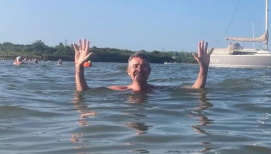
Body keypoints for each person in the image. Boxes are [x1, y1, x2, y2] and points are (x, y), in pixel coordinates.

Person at [72, 38, 214, 92]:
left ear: (149, 71)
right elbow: (84, 92)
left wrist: (203, 68)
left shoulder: (158, 90)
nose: (139, 69)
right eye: (135, 66)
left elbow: (196, 89)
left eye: (143, 66)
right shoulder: (120, 90)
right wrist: (79, 68)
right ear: (128, 71)